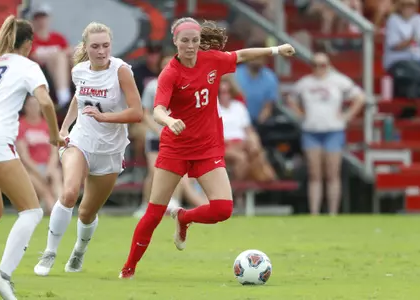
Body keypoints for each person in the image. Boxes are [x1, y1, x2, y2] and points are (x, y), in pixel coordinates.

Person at [119, 17, 295, 279]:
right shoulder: (171, 73)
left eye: (194, 40)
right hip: (175, 150)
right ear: (175, 42)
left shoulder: (211, 60)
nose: (190, 46)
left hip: (207, 149)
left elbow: (241, 55)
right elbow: (157, 110)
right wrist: (169, 120)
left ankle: (184, 218)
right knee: (153, 214)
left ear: (200, 41)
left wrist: (276, 50)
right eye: (185, 41)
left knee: (223, 209)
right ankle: (129, 268)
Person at [34, 22, 143, 277]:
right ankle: (49, 253)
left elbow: (137, 113)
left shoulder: (121, 71)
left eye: (106, 45)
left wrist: (105, 118)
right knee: (70, 192)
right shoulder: (79, 70)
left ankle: (79, 252)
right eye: (95, 46)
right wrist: (64, 128)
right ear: (86, 47)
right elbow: (78, 97)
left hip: (110, 149)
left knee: (86, 212)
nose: (101, 51)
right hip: (80, 139)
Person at [0, 15, 64, 300]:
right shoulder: (27, 66)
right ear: (29, 44)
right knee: (31, 211)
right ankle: (2, 275)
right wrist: (55, 136)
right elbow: (44, 100)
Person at [287, 53, 365, 215]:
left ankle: (333, 212)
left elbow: (360, 97)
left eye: (322, 65)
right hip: (311, 130)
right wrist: (300, 114)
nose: (319, 68)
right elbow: (291, 98)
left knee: (332, 173)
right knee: (314, 173)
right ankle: (314, 212)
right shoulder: (305, 83)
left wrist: (347, 116)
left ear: (328, 65)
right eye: (315, 65)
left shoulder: (338, 81)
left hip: (333, 130)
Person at [133, 52, 208, 218]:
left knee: (178, 171)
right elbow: (145, 113)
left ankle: (175, 203)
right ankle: (146, 204)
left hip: (177, 136)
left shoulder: (185, 84)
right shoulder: (153, 85)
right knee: (155, 172)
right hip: (156, 136)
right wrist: (158, 130)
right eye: (165, 63)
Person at [16, 96, 64, 215]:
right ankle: (52, 208)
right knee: (43, 187)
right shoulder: (21, 125)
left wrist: (49, 168)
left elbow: (54, 151)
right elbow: (24, 156)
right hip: (30, 168)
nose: (33, 108)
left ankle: (62, 205)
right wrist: (39, 171)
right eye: (30, 105)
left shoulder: (47, 124)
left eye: (36, 105)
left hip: (48, 165)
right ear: (25, 107)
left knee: (56, 176)